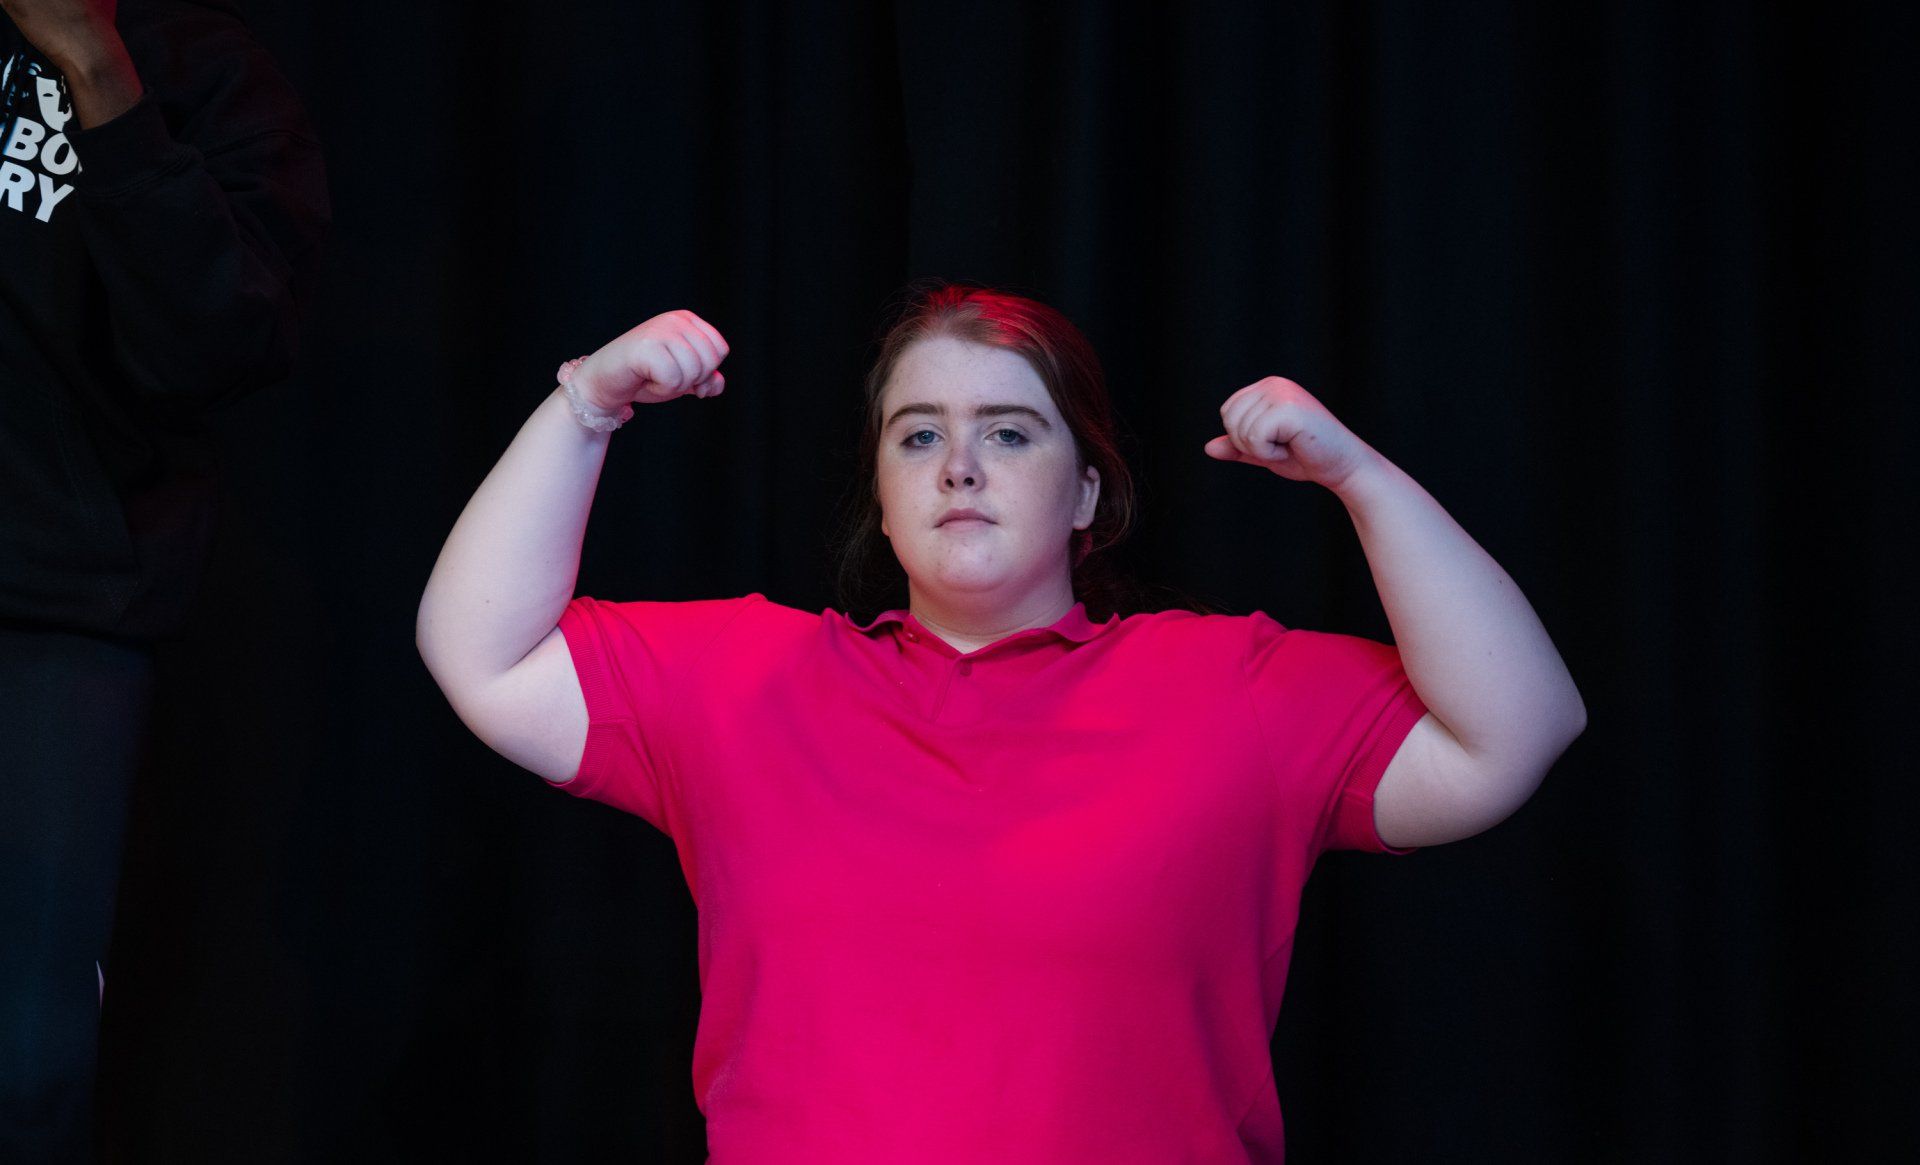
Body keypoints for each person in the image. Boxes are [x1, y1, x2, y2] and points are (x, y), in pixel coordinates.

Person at [416, 284, 1586, 1162]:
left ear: (1087, 492)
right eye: (918, 434)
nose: (959, 466)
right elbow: (481, 653)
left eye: (1011, 431)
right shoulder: (742, 679)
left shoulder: (1235, 687)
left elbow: (1517, 727)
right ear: (883, 495)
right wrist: (584, 407)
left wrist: (1359, 478)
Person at [0, 0, 328, 1158]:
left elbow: (216, 346)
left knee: (26, 1066)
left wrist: (99, 72)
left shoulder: (210, 75)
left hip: (58, 611)